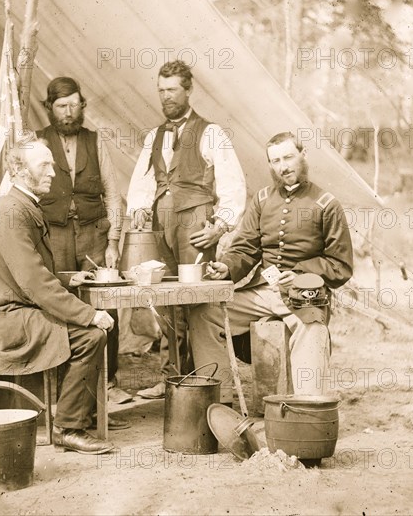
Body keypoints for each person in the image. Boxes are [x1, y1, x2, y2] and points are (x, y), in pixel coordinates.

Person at [0, 135, 114, 454]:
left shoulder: (23, 204)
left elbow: (27, 274)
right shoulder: (11, 210)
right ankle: (69, 427)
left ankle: (76, 415)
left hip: (17, 307)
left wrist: (67, 279)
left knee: (84, 330)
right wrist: (90, 314)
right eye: (43, 164)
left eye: (51, 163)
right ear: (18, 170)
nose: (52, 172)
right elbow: (32, 283)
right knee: (91, 336)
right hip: (5, 318)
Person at [189, 131, 354, 404]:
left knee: (312, 330)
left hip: (305, 296)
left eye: (288, 157)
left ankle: (306, 409)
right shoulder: (263, 199)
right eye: (275, 160)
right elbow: (245, 248)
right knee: (204, 313)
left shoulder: (327, 204)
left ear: (303, 156)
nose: (283, 166)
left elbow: (341, 264)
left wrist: (302, 272)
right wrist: (226, 267)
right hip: (261, 293)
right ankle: (219, 402)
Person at [127, 60, 246, 398]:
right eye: (161, 90)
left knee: (195, 300)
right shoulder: (154, 136)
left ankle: (203, 381)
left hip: (195, 224)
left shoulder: (211, 133)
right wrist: (137, 210)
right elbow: (142, 182)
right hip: (159, 227)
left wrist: (219, 227)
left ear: (188, 90)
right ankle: (172, 378)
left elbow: (234, 184)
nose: (166, 97)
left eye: (172, 90)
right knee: (165, 300)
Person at [37, 77, 133, 417]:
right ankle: (66, 389)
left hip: (94, 235)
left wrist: (113, 241)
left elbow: (112, 193)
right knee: (60, 304)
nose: (69, 112)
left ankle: (107, 387)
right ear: (49, 108)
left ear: (82, 106)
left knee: (107, 304)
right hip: (56, 236)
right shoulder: (37, 142)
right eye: (62, 106)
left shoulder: (95, 141)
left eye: (75, 105)